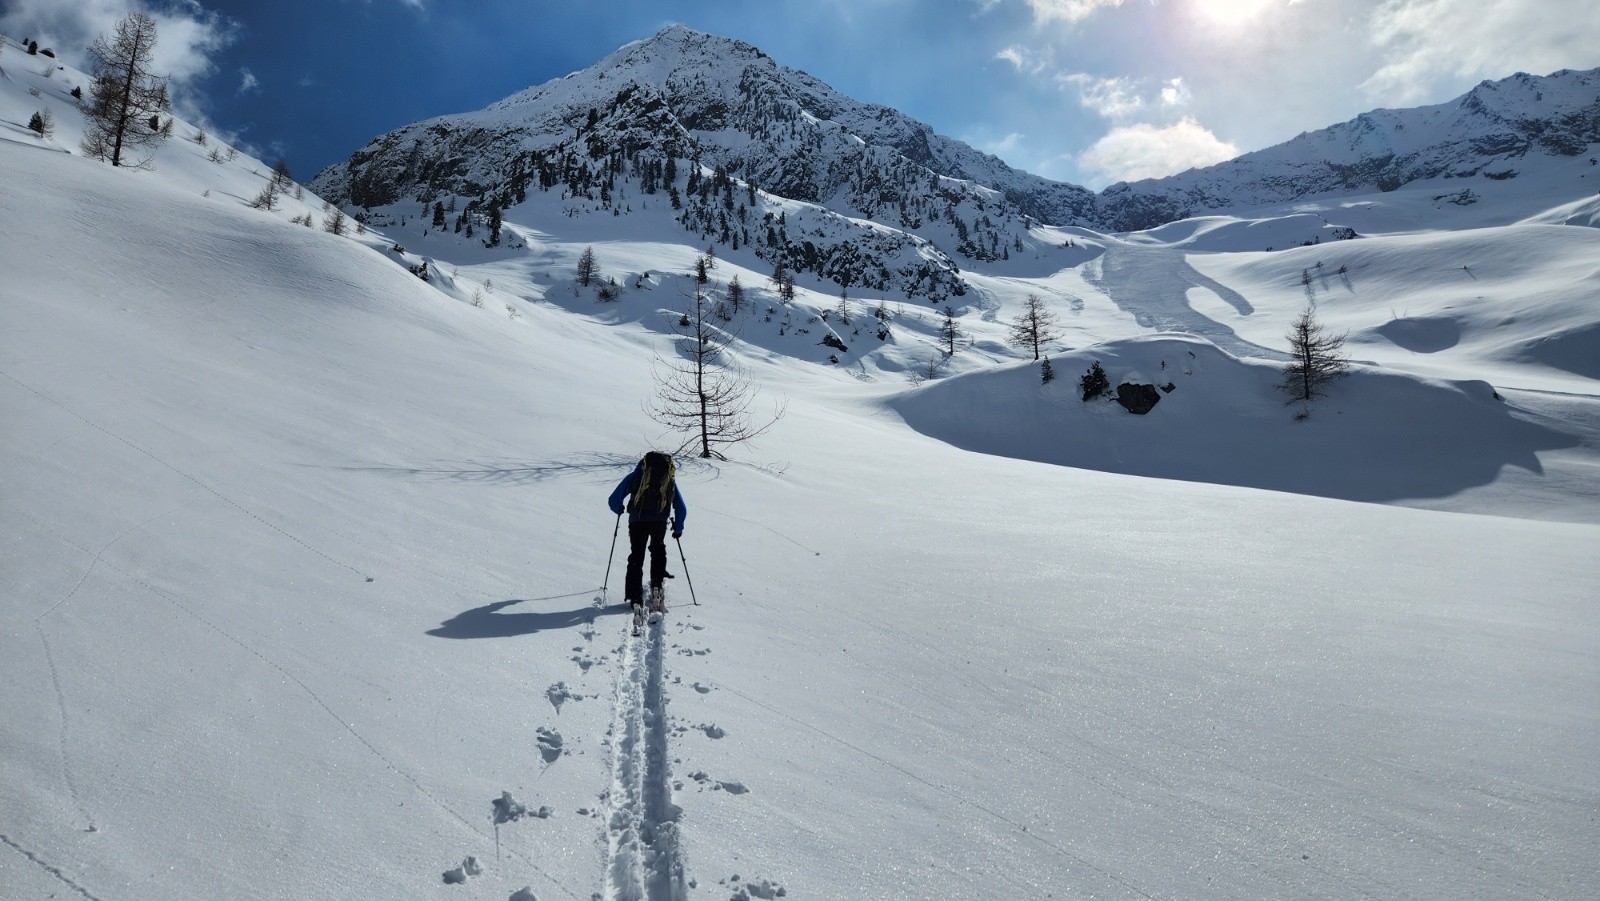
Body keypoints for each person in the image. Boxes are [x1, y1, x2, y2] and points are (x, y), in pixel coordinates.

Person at [608, 451, 686, 612]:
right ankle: (657, 585)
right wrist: (678, 528)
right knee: (658, 550)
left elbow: (613, 499)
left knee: (636, 556)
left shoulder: (637, 475)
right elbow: (681, 507)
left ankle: (635, 596)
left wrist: (619, 509)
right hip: (659, 521)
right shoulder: (668, 479)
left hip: (637, 521)